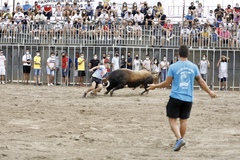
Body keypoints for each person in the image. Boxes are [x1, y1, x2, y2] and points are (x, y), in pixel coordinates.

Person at [147, 45, 217, 151]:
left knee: (172, 119)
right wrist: (210, 92)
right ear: (188, 54)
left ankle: (179, 139)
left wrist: (154, 86)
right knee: (184, 121)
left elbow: (166, 83)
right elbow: (201, 82)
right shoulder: (193, 67)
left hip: (176, 97)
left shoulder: (173, 67)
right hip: (188, 98)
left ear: (178, 54)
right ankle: (180, 140)